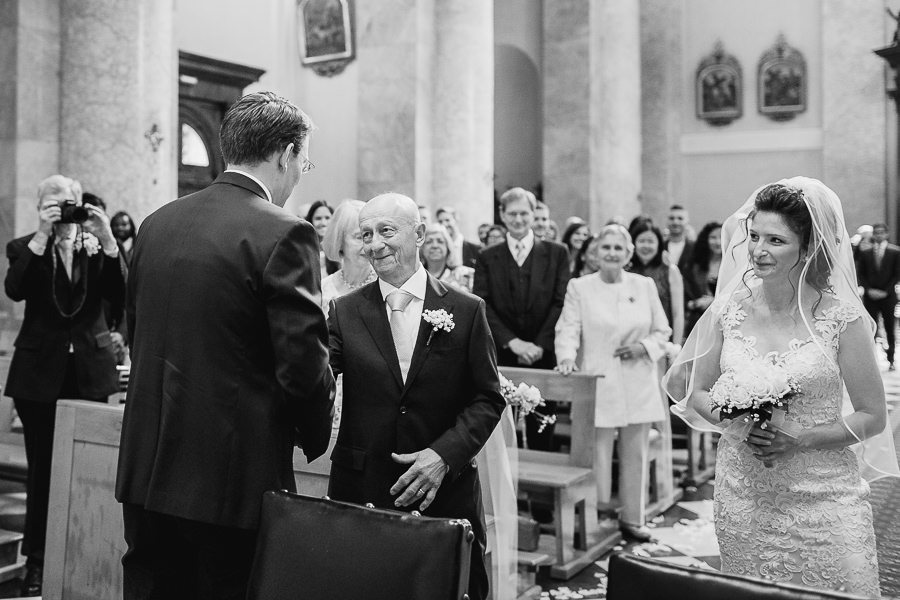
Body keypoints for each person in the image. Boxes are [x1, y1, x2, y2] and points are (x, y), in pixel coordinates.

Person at [115, 91, 335, 600]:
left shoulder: (156, 223)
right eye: (304, 161)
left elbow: (138, 332)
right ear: (286, 153)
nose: (300, 174)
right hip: (229, 479)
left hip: (147, 469)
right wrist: (315, 431)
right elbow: (302, 364)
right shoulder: (285, 233)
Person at [665, 177, 899, 596]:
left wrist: (801, 439)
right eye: (754, 236)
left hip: (824, 493)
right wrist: (736, 422)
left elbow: (873, 416)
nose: (758, 250)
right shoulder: (728, 311)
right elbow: (697, 392)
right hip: (744, 494)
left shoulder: (841, 319)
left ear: (807, 248)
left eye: (776, 240)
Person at [326, 192, 505, 600]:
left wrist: (442, 456)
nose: (375, 244)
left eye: (386, 231)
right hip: (364, 488)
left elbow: (488, 398)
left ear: (419, 234)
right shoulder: (344, 311)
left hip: (445, 490)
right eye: (366, 234)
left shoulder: (466, 309)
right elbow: (317, 380)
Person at [5, 174, 126, 596]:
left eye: (68, 201)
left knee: (93, 468)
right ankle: (37, 562)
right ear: (40, 206)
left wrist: (107, 239)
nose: (63, 210)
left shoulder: (95, 247)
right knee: (42, 472)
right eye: (53, 203)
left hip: (89, 372)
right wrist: (42, 234)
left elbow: (123, 292)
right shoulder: (25, 246)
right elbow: (15, 289)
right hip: (38, 376)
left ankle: (86, 554)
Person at [555, 226, 671, 542]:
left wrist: (643, 347)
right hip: (599, 379)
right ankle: (598, 515)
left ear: (628, 254)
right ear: (595, 252)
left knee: (636, 452)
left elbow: (663, 331)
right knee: (598, 454)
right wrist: (566, 357)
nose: (611, 253)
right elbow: (568, 328)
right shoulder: (580, 287)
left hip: (638, 379)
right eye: (605, 247)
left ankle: (633, 519)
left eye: (618, 248)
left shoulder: (644, 285)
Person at [474, 187, 570, 451]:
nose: (518, 219)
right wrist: (512, 342)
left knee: (542, 430)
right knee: (500, 432)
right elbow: (482, 304)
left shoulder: (557, 253)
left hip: (544, 354)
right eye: (512, 213)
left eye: (524, 213)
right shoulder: (487, 256)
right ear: (503, 215)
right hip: (502, 354)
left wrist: (539, 344)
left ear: (533, 214)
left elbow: (560, 302)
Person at [627, 221, 685, 345]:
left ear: (659, 244)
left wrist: (676, 346)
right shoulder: (626, 271)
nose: (646, 246)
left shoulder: (670, 271)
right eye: (641, 241)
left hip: (662, 342)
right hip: (631, 342)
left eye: (651, 241)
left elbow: (678, 314)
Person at [321, 199, 376, 316]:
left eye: (370, 236)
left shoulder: (386, 286)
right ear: (339, 240)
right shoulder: (323, 291)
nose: (368, 245)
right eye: (359, 237)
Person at [857, 222, 900, 370]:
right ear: (873, 235)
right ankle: (872, 360)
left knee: (889, 327)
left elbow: (897, 274)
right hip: (871, 296)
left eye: (882, 232)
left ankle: (891, 359)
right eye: (876, 232)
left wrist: (885, 291)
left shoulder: (895, 252)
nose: (879, 235)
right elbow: (861, 274)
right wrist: (869, 290)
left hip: (888, 296)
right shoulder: (865, 253)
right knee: (871, 328)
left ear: (886, 234)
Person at [683, 221, 722, 336]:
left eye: (721, 237)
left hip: (722, 320)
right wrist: (694, 303)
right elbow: (685, 294)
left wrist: (713, 301)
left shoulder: (732, 265)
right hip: (696, 320)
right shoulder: (694, 265)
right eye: (713, 237)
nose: (718, 242)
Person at [420, 222, 474, 292]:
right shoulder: (415, 277)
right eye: (429, 242)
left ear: (448, 247)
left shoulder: (466, 274)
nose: (435, 246)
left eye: (440, 241)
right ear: (422, 248)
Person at [306, 199, 340, 277]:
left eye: (327, 218)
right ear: (310, 220)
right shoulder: (303, 248)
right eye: (318, 218)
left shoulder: (340, 247)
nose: (323, 223)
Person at [664, 204, 695, 273]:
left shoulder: (695, 248)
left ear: (687, 221)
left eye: (680, 218)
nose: (675, 222)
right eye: (671, 218)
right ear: (667, 220)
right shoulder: (660, 247)